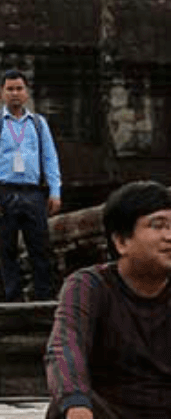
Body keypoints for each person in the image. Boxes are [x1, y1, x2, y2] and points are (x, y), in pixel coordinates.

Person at [45, 180, 171, 419]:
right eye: (158, 225)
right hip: (110, 411)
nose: (169, 236)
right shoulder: (89, 285)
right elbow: (66, 345)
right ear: (121, 241)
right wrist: (75, 401)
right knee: (64, 408)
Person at [0, 69, 63, 301]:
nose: (15, 94)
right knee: (7, 249)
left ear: (26, 93)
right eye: (10, 89)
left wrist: (55, 190)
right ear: (2, 93)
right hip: (3, 191)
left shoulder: (38, 124)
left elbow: (50, 158)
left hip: (33, 192)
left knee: (41, 248)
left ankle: (44, 299)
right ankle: (12, 301)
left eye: (19, 89)